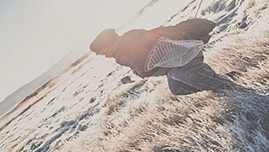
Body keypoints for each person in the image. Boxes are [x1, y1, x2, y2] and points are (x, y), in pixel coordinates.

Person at [90, 17, 230, 95]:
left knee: (199, 81)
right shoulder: (133, 35)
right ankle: (219, 81)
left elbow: (146, 70)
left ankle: (232, 89)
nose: (103, 55)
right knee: (177, 89)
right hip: (187, 51)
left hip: (182, 61)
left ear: (107, 46)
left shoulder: (121, 53)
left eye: (102, 53)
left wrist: (135, 72)